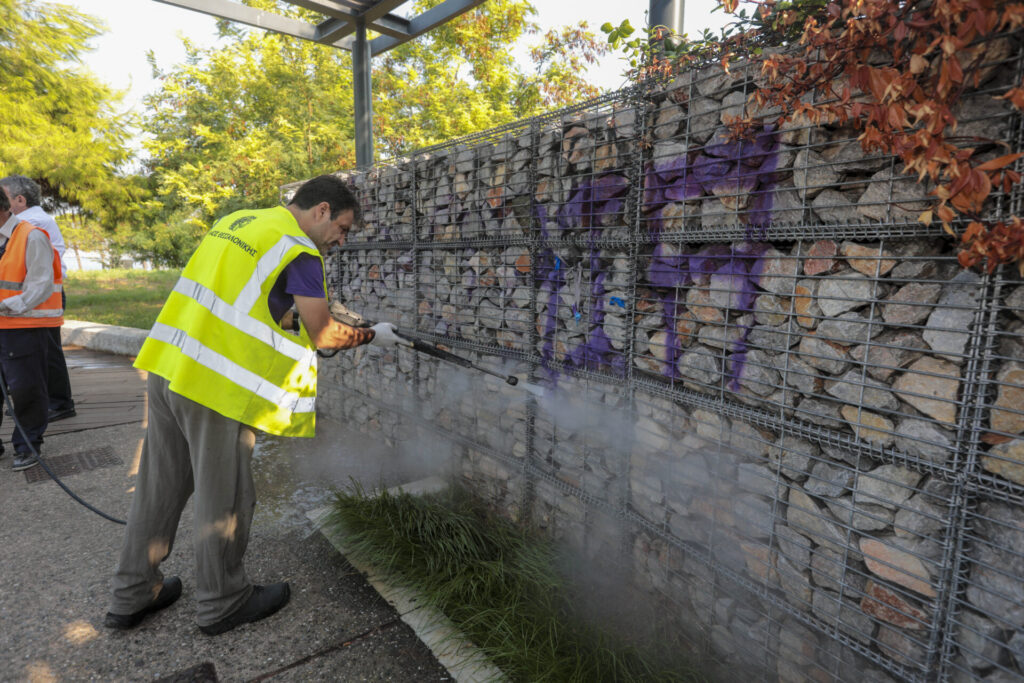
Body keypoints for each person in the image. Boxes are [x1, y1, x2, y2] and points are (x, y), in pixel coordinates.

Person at [105, 175, 400, 636]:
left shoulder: (239, 221)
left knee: (157, 489)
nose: (340, 240)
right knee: (225, 499)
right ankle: (223, 601)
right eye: (341, 228)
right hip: (214, 389)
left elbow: (245, 295)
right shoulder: (300, 251)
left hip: (167, 366)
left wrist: (295, 309)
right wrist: (371, 334)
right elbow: (323, 333)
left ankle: (132, 595)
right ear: (321, 210)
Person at [0, 175, 75, 422]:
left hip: (34, 301)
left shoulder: (28, 223)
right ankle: (58, 403)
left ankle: (58, 404)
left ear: (18, 200)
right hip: (31, 301)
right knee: (46, 358)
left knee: (43, 360)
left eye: (6, 198)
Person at [0, 185, 63, 471]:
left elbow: (41, 285)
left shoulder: (31, 236)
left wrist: (7, 306)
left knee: (26, 389)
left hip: (23, 327)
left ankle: (27, 445)